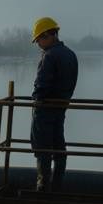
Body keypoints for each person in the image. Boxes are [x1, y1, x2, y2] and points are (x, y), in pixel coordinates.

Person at [30, 16, 78, 190]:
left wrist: (36, 98)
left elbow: (41, 86)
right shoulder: (70, 54)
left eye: (38, 40)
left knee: (41, 146)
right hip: (61, 107)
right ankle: (57, 183)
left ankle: (43, 185)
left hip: (45, 109)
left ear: (48, 35)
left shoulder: (49, 56)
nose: (38, 45)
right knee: (58, 144)